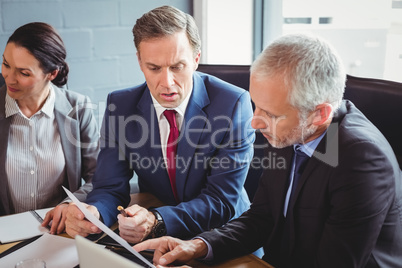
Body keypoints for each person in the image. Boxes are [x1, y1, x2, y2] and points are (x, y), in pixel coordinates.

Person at [133, 34, 402, 268]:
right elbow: (263, 217)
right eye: (256, 105)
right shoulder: (292, 130)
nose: (255, 122)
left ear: (319, 114)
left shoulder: (361, 160)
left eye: (270, 113)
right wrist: (199, 246)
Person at [65, 5, 255, 244]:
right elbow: (109, 186)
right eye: (154, 68)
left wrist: (157, 220)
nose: (167, 82)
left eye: (177, 67)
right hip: (153, 239)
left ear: (196, 59)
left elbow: (220, 200)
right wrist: (95, 211)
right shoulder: (120, 106)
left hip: (222, 238)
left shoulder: (233, 104)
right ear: (140, 61)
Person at [0, 22, 99, 235]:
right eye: (6, 64)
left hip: (59, 233)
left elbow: (98, 176)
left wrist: (69, 204)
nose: (9, 77)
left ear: (51, 73)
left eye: (23, 73)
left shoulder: (78, 109)